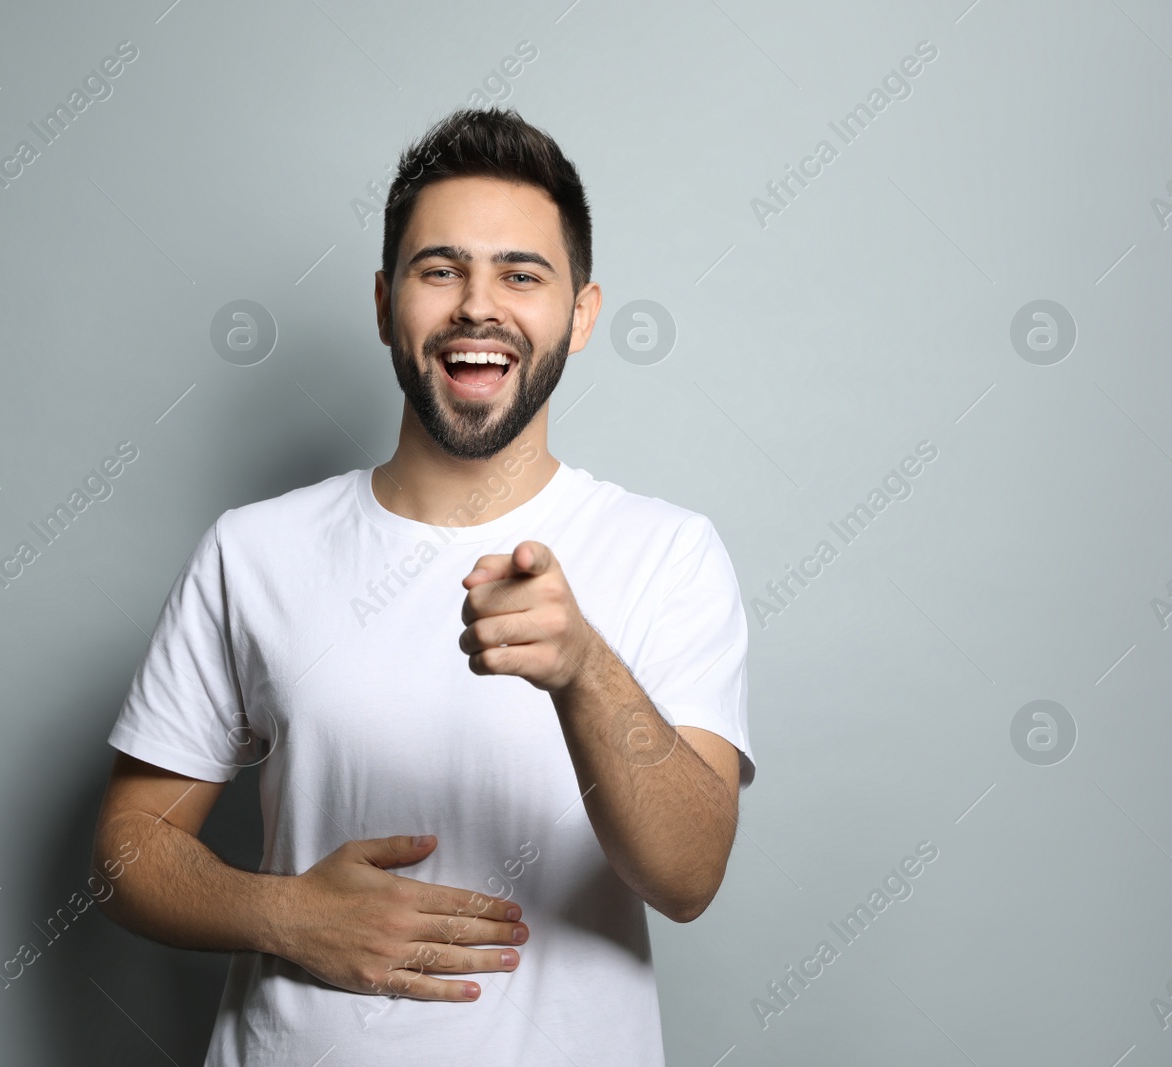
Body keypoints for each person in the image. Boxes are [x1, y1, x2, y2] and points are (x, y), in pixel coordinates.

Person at [91, 106, 754, 1066]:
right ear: (383, 303)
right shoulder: (255, 550)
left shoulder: (669, 553)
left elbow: (689, 876)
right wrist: (285, 913)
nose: (478, 306)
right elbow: (123, 852)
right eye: (440, 270)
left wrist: (582, 669)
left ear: (581, 313)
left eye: (521, 275)